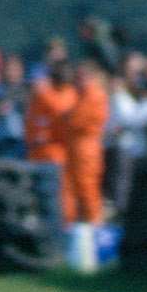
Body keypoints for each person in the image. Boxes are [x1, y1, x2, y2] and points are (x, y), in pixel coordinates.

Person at [60, 59, 111, 227]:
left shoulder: (94, 94)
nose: (77, 80)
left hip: (87, 147)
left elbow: (75, 120)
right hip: (74, 147)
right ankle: (74, 229)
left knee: (87, 187)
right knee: (70, 189)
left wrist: (67, 117)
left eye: (81, 76)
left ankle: (95, 226)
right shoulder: (79, 94)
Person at [24, 60, 75, 224]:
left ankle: (62, 225)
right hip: (47, 152)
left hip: (58, 152)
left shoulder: (68, 94)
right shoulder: (46, 95)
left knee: (60, 194)